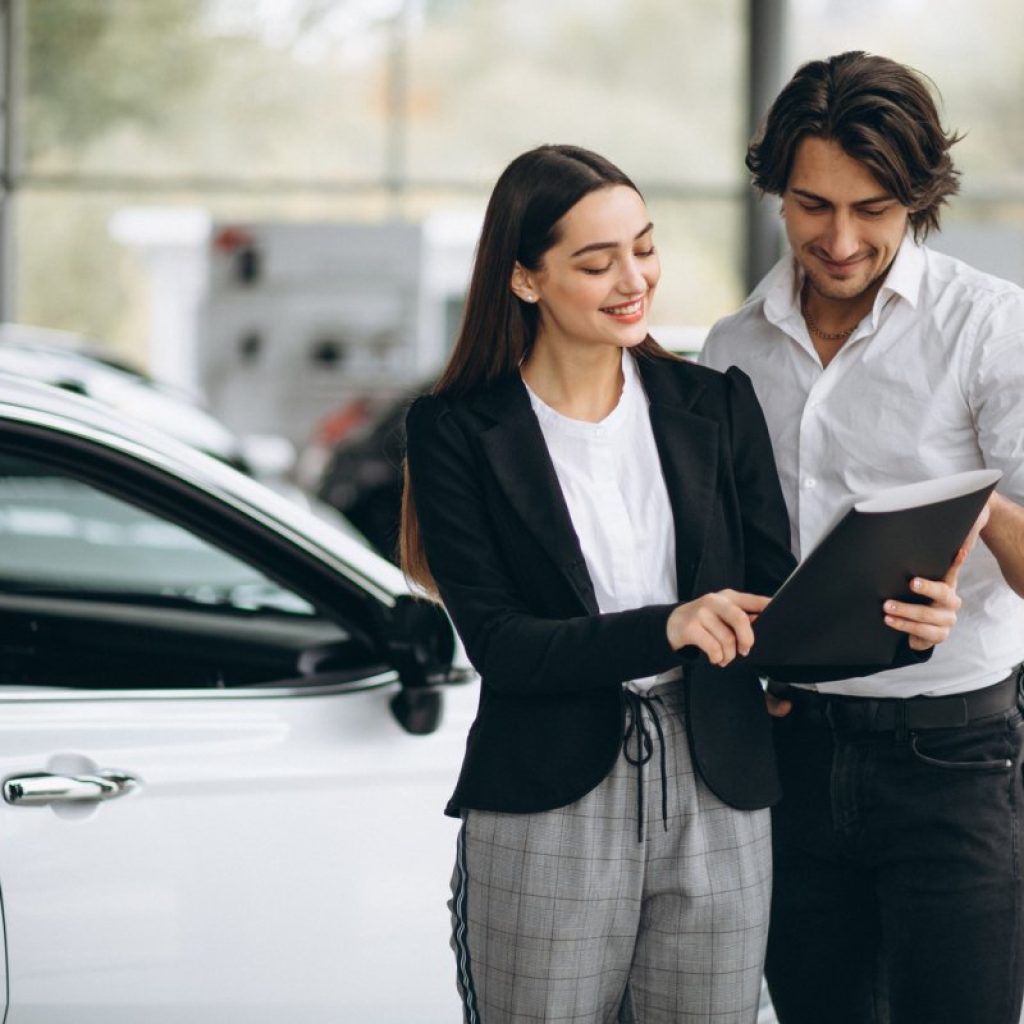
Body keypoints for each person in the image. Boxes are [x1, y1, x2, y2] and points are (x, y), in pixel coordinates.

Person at [400, 144, 955, 1024]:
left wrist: (897, 626)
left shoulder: (713, 403)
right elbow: (504, 649)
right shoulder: (457, 431)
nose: (634, 279)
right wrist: (669, 625)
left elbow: (775, 603)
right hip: (549, 799)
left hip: (719, 784)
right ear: (525, 279)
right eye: (596, 261)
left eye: (644, 247)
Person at [701, 51, 1024, 1024]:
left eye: (872, 208)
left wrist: (972, 514)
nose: (838, 240)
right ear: (776, 193)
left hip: (952, 761)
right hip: (788, 754)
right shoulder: (731, 349)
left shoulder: (990, 328)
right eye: (811, 206)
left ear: (918, 198)